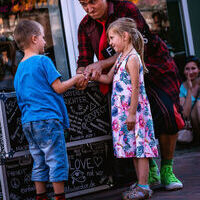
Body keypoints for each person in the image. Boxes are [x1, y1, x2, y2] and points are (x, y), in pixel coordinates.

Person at [76, 0, 184, 191]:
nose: (88, 9)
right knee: (134, 130)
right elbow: (83, 60)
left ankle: (167, 168)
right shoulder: (85, 25)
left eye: (92, 2)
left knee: (168, 114)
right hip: (121, 77)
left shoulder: (125, 8)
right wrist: (83, 73)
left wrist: (101, 63)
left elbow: (139, 44)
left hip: (154, 67)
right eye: (83, 4)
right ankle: (150, 170)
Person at [13, 20, 85, 200]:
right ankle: (60, 196)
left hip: (29, 122)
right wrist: (76, 78)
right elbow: (59, 87)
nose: (45, 42)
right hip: (47, 120)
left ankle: (41, 196)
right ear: (34, 38)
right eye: (44, 38)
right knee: (56, 159)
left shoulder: (19, 68)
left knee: (39, 161)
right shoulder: (43, 61)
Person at [97, 17, 158, 200]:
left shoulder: (132, 58)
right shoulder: (121, 57)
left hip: (136, 112)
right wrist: (88, 75)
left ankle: (144, 186)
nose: (110, 43)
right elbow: (108, 79)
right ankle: (140, 183)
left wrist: (131, 114)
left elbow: (136, 88)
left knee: (142, 149)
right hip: (124, 113)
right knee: (133, 147)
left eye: (112, 38)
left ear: (124, 36)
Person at [179, 56, 200, 144]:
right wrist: (189, 90)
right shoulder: (182, 88)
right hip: (194, 125)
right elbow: (185, 114)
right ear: (183, 71)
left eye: (193, 68)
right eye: (187, 69)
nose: (190, 72)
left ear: (199, 70)